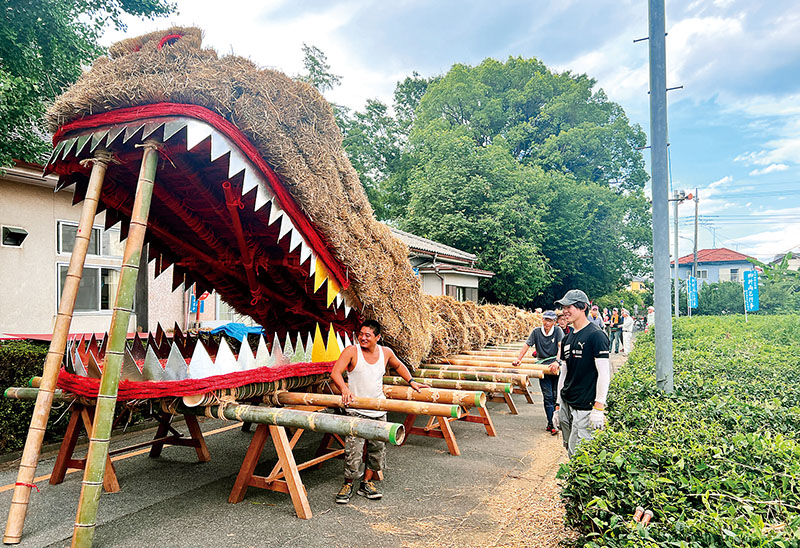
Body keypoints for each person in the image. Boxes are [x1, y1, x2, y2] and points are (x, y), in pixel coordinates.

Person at [330, 320, 428, 504]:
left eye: (368, 335)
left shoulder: (386, 352)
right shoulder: (352, 351)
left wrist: (411, 381)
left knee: (377, 450)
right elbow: (335, 372)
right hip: (356, 409)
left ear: (378, 337)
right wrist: (344, 389)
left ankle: (366, 483)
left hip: (378, 409)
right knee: (354, 450)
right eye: (361, 334)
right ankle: (348, 483)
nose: (363, 338)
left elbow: (398, 366)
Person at [551, 289, 611, 458]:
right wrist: (557, 406)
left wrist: (599, 407)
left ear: (583, 307)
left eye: (569, 306)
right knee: (569, 450)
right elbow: (564, 373)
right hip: (567, 403)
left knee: (582, 455)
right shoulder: (568, 338)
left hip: (585, 406)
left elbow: (604, 374)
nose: (565, 311)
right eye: (563, 307)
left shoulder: (596, 335)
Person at [512, 310, 563, 435]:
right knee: (548, 396)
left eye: (550, 321)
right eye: (545, 319)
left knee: (556, 395)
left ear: (554, 322)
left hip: (555, 366)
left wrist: (557, 361)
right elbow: (526, 345)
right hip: (542, 366)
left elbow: (561, 347)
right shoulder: (536, 332)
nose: (547, 323)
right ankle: (551, 423)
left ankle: (556, 422)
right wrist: (519, 359)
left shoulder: (557, 331)